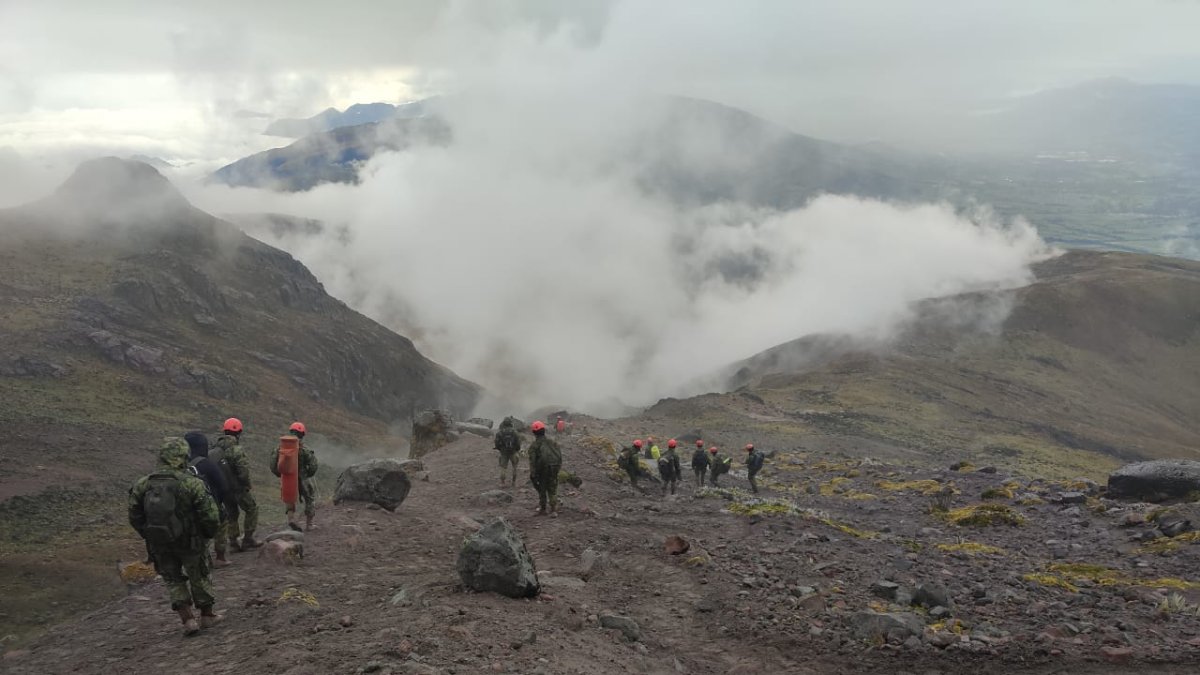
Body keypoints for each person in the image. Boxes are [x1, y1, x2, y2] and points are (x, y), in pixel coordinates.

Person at [128, 437, 222, 635]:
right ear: (183, 457)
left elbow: (134, 515)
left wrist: (148, 535)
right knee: (199, 575)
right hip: (191, 541)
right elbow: (210, 515)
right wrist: (208, 534)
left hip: (159, 542)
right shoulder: (192, 484)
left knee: (172, 579)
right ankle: (207, 615)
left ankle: (187, 619)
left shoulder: (143, 485)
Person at [212, 417, 261, 551]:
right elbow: (243, 472)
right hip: (237, 489)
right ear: (239, 432)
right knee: (252, 508)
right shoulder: (236, 449)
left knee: (231, 514)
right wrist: (246, 485)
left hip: (223, 490)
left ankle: (233, 542)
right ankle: (248, 539)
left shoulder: (215, 449)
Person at [184, 431, 231, 568]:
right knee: (222, 524)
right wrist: (219, 502)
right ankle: (220, 557)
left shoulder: (181, 465)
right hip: (209, 506)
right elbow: (223, 486)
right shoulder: (207, 464)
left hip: (187, 509)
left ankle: (201, 558)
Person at [271, 422, 319, 530]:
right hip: (302, 477)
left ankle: (291, 519)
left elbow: (273, 463)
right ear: (302, 434)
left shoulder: (280, 447)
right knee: (310, 497)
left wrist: (280, 473)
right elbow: (313, 465)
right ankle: (309, 524)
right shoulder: (304, 448)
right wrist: (308, 474)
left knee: (289, 498)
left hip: (287, 476)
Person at [527, 421, 562, 517]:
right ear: (544, 430)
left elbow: (532, 461)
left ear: (534, 432)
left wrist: (533, 474)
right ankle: (554, 509)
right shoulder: (552, 442)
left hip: (542, 471)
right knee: (552, 489)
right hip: (554, 468)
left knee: (542, 489)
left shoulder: (534, 446)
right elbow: (559, 456)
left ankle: (543, 509)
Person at [493, 417, 522, 487]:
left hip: (504, 452)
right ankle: (514, 482)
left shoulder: (500, 432)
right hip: (513, 452)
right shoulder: (514, 432)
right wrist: (517, 449)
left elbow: (496, 443)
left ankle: (503, 482)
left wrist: (500, 449)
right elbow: (518, 442)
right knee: (514, 467)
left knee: (503, 467)